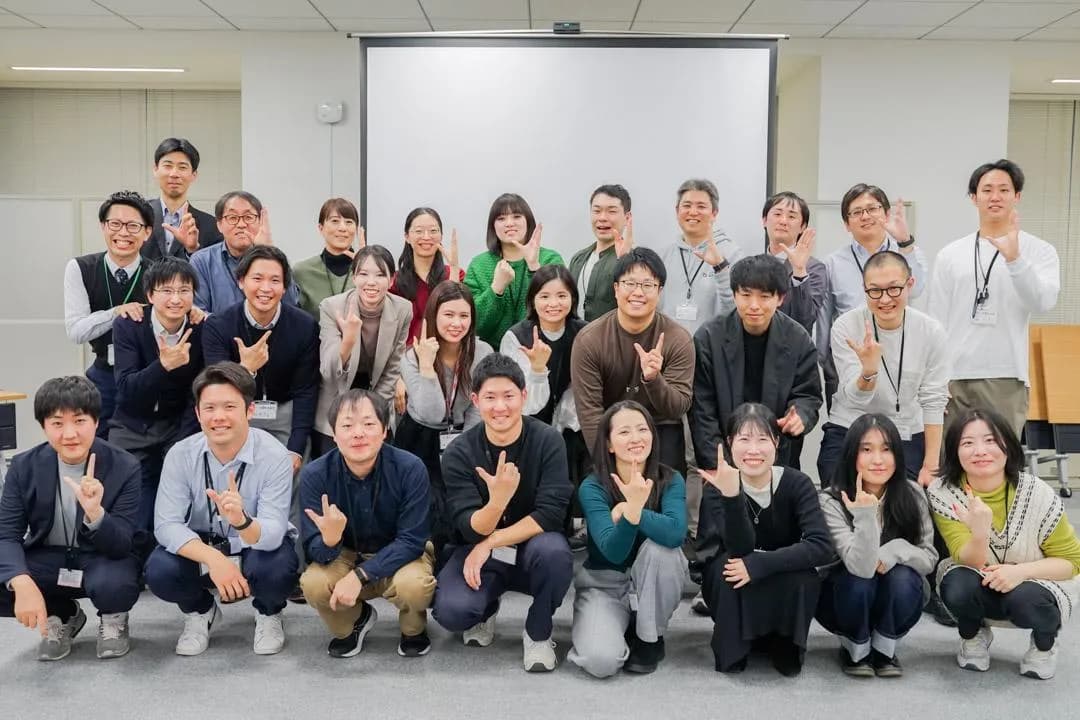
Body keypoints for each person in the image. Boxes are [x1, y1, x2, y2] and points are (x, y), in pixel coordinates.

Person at [144, 362, 299, 656]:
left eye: (229, 407)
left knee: (278, 566)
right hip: (205, 545)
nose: (219, 417)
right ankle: (200, 611)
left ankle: (268, 613)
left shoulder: (275, 456)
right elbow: (166, 525)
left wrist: (242, 522)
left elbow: (273, 532)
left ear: (249, 411)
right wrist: (214, 559)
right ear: (198, 413)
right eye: (210, 408)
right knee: (160, 569)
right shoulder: (180, 455)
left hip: (254, 545)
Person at [432, 353, 573, 672]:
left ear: (523, 396)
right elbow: (468, 528)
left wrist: (491, 542)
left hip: (532, 549)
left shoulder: (548, 441)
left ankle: (538, 632)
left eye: (508, 396)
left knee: (555, 555)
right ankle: (485, 608)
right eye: (490, 397)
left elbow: (551, 514)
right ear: (475, 400)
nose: (500, 407)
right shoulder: (459, 452)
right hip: (479, 552)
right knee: (452, 611)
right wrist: (496, 503)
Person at [927, 408, 1080, 680]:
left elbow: (1072, 562)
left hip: (1034, 582)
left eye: (990, 440)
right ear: (954, 452)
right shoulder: (944, 492)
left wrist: (1020, 572)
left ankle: (1044, 645)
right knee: (957, 585)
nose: (980, 451)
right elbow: (968, 558)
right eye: (967, 443)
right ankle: (973, 634)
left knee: (1025, 600)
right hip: (978, 575)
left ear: (1008, 445)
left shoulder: (1038, 492)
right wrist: (980, 531)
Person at [0, 377, 141, 660]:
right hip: (49, 557)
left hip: (102, 556)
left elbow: (122, 544)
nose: (69, 434)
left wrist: (96, 514)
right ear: (43, 426)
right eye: (57, 423)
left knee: (115, 585)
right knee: (8, 574)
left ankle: (113, 617)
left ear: (96, 422)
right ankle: (62, 614)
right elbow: (7, 533)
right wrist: (20, 580)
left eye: (79, 421)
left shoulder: (125, 466)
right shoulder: (23, 467)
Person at [697, 403, 832, 675]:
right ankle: (735, 648)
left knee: (804, 576)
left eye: (762, 439)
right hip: (734, 572)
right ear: (729, 443)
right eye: (744, 440)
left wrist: (760, 564)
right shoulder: (717, 487)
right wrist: (732, 496)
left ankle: (785, 644)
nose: (753, 450)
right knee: (728, 570)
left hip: (779, 571)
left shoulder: (797, 483)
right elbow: (739, 548)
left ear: (777, 443)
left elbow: (821, 546)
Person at [299, 389, 435, 658]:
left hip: (400, 552)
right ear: (334, 434)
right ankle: (355, 621)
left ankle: (413, 630)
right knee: (313, 583)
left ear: (384, 430)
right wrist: (330, 541)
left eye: (369, 424)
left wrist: (359, 576)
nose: (358, 433)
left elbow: (412, 540)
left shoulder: (410, 468)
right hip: (345, 552)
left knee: (414, 585)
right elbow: (313, 549)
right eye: (347, 426)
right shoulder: (315, 474)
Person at [928, 160, 1061, 436]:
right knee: (951, 457)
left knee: (1000, 455)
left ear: (1017, 196)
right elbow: (935, 321)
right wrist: (934, 379)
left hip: (1006, 375)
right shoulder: (950, 254)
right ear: (974, 198)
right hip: (953, 378)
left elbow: (1043, 303)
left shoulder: (1039, 251)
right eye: (987, 190)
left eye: (1004, 190)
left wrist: (1015, 260)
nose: (995, 197)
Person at [567, 401, 688, 678]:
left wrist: (630, 511)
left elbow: (675, 534)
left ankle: (649, 639)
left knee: (663, 551)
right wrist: (632, 513)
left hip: (651, 581)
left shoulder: (671, 479)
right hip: (604, 584)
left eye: (642, 429)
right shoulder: (593, 486)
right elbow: (613, 552)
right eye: (624, 432)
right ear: (608, 444)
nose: (636, 438)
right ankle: (619, 624)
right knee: (600, 662)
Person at [817, 414, 937, 677]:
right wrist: (865, 516)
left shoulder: (913, 493)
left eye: (886, 449)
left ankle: (884, 649)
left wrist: (897, 550)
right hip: (844, 598)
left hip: (895, 597)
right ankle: (855, 648)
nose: (878, 460)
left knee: (903, 577)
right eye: (866, 450)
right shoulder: (831, 499)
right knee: (860, 580)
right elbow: (860, 567)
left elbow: (929, 558)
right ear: (852, 454)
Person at [820, 251, 948, 488]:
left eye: (894, 289)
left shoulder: (931, 331)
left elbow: (934, 400)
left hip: (906, 429)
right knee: (836, 493)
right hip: (850, 425)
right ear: (864, 289)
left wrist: (930, 466)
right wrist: (868, 371)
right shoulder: (846, 326)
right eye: (875, 291)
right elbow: (854, 398)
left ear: (910, 284)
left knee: (909, 497)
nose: (885, 299)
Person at [691, 254, 821, 473]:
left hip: (778, 455)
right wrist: (719, 463)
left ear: (780, 298)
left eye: (764, 297)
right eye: (746, 295)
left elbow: (808, 395)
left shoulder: (798, 339)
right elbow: (702, 409)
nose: (754, 305)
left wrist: (800, 415)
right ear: (734, 295)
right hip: (723, 457)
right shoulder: (709, 337)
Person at [571, 248, 694, 473]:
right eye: (629, 283)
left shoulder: (678, 339)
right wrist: (609, 466)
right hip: (610, 427)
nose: (638, 292)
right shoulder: (589, 340)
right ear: (616, 289)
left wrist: (654, 380)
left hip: (659, 426)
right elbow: (590, 413)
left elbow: (678, 407)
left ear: (659, 291)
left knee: (668, 483)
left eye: (648, 285)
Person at [110, 257, 206, 545]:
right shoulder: (129, 324)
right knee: (132, 504)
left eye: (184, 290)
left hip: (176, 425)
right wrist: (162, 366)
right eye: (167, 291)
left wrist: (181, 441)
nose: (176, 299)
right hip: (131, 424)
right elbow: (126, 389)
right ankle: (132, 555)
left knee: (177, 497)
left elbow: (198, 394)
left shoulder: (201, 327)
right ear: (150, 295)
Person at [394, 282, 493, 556]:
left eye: (464, 316)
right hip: (419, 438)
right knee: (428, 507)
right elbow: (432, 413)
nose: (456, 323)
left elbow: (478, 407)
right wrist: (427, 365)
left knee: (461, 502)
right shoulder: (412, 357)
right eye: (448, 315)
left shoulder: (482, 353)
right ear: (433, 316)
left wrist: (464, 449)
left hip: (463, 434)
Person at [202, 245, 319, 470]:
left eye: (275, 280)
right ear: (241, 281)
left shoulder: (304, 326)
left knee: (292, 471)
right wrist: (246, 369)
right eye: (257, 278)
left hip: (284, 412)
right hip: (237, 409)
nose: (265, 288)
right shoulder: (219, 326)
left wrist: (295, 448)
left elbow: (306, 390)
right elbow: (216, 388)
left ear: (284, 287)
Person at [818, 184, 928, 411]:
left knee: (897, 426)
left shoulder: (907, 252)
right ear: (846, 224)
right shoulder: (832, 263)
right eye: (857, 212)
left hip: (900, 360)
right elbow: (824, 322)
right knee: (849, 428)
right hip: (851, 363)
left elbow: (916, 290)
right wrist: (829, 366)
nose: (865, 216)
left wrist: (905, 243)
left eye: (872, 209)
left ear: (886, 214)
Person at [501, 265, 588, 542]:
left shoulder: (584, 333)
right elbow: (522, 403)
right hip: (528, 422)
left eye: (562, 296)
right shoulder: (516, 337)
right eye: (545, 296)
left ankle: (576, 525)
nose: (553, 304)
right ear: (533, 299)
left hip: (572, 423)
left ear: (573, 298)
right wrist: (538, 369)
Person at [64, 190, 152, 436]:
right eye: (115, 224)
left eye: (133, 226)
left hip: (144, 375)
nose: (123, 233)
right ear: (103, 226)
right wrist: (115, 312)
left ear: (147, 232)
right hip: (103, 374)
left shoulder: (158, 273)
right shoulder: (80, 268)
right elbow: (76, 331)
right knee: (95, 443)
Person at [314, 246, 411, 458]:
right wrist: (348, 340)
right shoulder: (332, 307)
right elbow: (329, 372)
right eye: (364, 274)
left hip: (377, 400)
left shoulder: (403, 309)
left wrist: (372, 414)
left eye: (380, 275)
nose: (371, 282)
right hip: (335, 401)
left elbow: (392, 368)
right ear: (354, 277)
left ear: (391, 280)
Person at [464, 193, 564, 347]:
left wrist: (534, 268)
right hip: (493, 355)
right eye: (501, 218)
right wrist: (496, 289)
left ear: (528, 221)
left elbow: (557, 310)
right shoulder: (479, 265)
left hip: (543, 350)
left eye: (517, 216)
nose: (509, 223)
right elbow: (475, 325)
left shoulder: (550, 259)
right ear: (492, 226)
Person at [657, 178, 745, 335]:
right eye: (687, 205)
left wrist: (720, 267)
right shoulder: (662, 256)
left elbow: (737, 309)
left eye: (701, 206)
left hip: (712, 346)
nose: (693, 212)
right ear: (677, 211)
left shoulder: (732, 254)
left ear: (714, 213)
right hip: (670, 347)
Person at [190, 190, 298, 313]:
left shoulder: (275, 260)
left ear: (260, 222)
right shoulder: (202, 261)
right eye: (232, 218)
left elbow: (291, 303)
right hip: (220, 326)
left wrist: (267, 251)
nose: (241, 224)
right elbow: (199, 312)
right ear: (219, 225)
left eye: (248, 217)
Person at [389, 206, 464, 347]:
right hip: (406, 354)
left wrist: (454, 271)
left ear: (441, 236)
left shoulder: (456, 274)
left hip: (445, 352)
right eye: (419, 231)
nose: (426, 237)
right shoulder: (394, 282)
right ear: (407, 237)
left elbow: (461, 315)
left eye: (433, 231)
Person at [141, 137, 224, 261]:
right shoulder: (139, 215)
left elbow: (214, 268)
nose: (174, 174)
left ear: (194, 175)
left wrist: (192, 250)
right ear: (155, 170)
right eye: (168, 166)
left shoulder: (211, 226)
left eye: (182, 167)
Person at [762, 190, 827, 335]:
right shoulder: (753, 265)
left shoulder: (813, 268)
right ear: (765, 220)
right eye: (777, 214)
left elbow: (805, 319)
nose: (783, 221)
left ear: (802, 227)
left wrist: (799, 271)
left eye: (791, 216)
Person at [567, 184, 633, 322]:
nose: (602, 218)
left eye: (611, 211)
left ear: (627, 218)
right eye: (597, 211)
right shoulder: (578, 259)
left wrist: (625, 262)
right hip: (576, 335)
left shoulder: (634, 261)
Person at [293, 198, 365, 319]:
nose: (342, 228)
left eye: (349, 222)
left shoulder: (368, 271)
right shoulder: (301, 271)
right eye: (335, 221)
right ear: (321, 228)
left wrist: (366, 265)